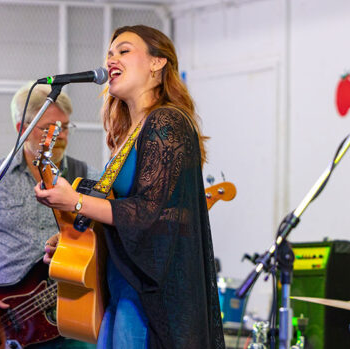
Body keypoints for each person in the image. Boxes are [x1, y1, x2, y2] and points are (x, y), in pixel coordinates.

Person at [35, 25, 225, 349]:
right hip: (123, 291)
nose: (111, 59)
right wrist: (77, 236)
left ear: (157, 63)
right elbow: (124, 212)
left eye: (123, 51)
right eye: (109, 54)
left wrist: (77, 203)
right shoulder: (127, 135)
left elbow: (147, 212)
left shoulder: (166, 122)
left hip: (151, 301)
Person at [0, 83, 98, 348]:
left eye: (65, 127)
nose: (61, 136)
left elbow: (108, 236)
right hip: (6, 321)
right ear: (22, 128)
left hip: (71, 317)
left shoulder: (86, 177)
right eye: (50, 129)